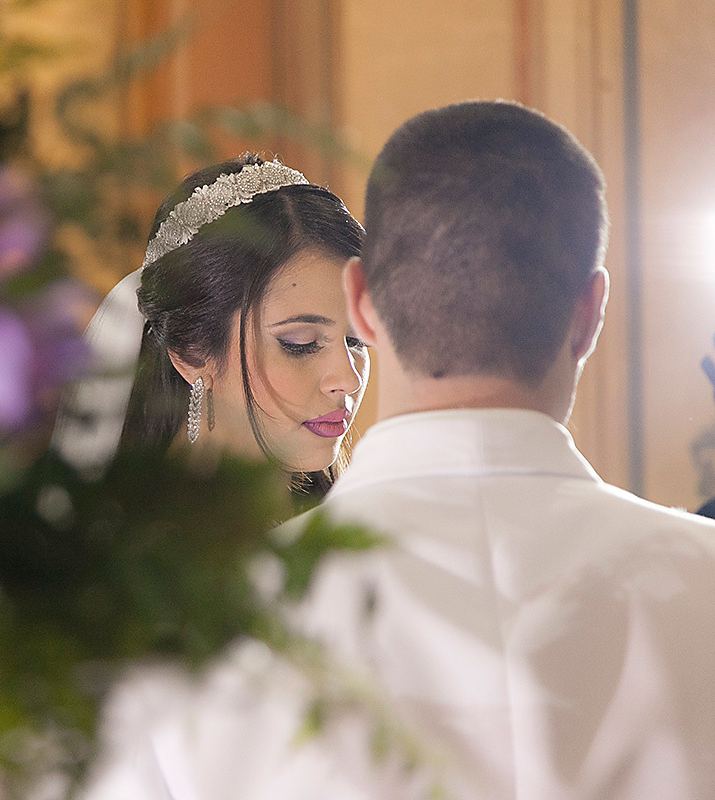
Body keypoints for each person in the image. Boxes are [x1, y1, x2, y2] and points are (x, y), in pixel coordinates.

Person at [84, 101, 715, 800]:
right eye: (298, 344)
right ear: (590, 311)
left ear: (365, 305)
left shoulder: (211, 634)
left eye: (348, 344)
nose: (342, 378)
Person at [53, 153, 369, 497]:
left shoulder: (371, 531)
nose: (348, 379)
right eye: (300, 343)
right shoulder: (132, 544)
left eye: (357, 341)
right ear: (191, 351)